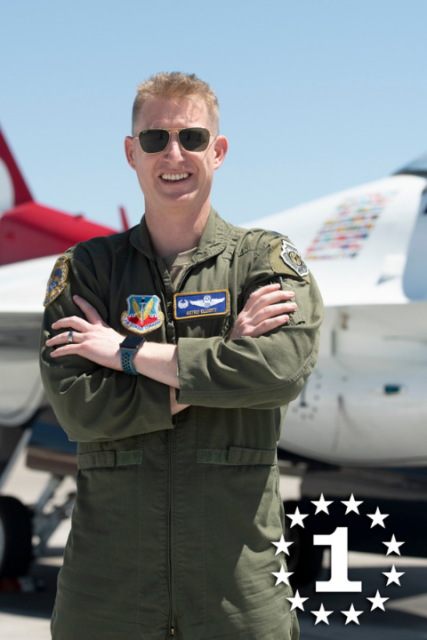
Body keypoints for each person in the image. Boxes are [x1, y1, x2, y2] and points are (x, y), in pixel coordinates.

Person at [40, 71, 323, 640]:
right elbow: (78, 409)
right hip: (107, 598)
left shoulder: (263, 260)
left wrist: (126, 353)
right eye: (155, 139)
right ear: (131, 153)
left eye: (192, 138)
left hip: (237, 597)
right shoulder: (89, 270)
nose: (174, 154)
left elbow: (279, 370)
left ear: (217, 151)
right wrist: (222, 361)